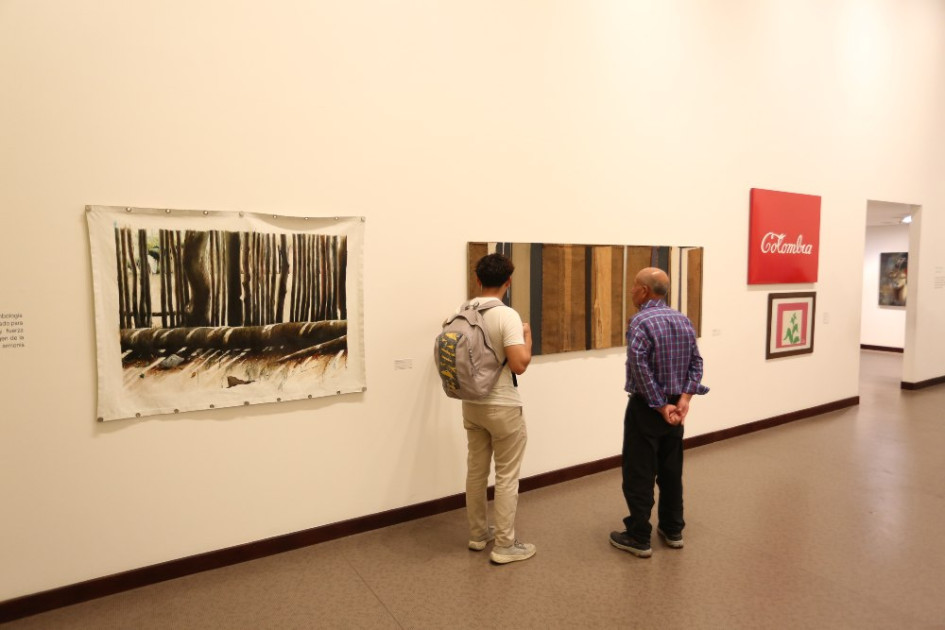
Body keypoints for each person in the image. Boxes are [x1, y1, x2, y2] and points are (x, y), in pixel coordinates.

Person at [610, 267, 709, 558]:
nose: (631, 290)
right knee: (671, 471)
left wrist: (658, 404)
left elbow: (639, 367)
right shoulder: (682, 319)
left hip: (647, 408)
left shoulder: (640, 321)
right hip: (676, 409)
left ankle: (639, 535)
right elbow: (696, 362)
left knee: (638, 472)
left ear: (644, 291)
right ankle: (673, 529)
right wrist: (684, 399)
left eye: (634, 285)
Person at [462, 253, 535, 564]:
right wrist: (527, 337)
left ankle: (478, 534)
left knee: (476, 471)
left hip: (470, 403)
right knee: (506, 476)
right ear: (509, 281)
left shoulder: (463, 311)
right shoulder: (506, 316)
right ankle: (505, 545)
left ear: (478, 280)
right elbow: (519, 365)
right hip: (502, 404)